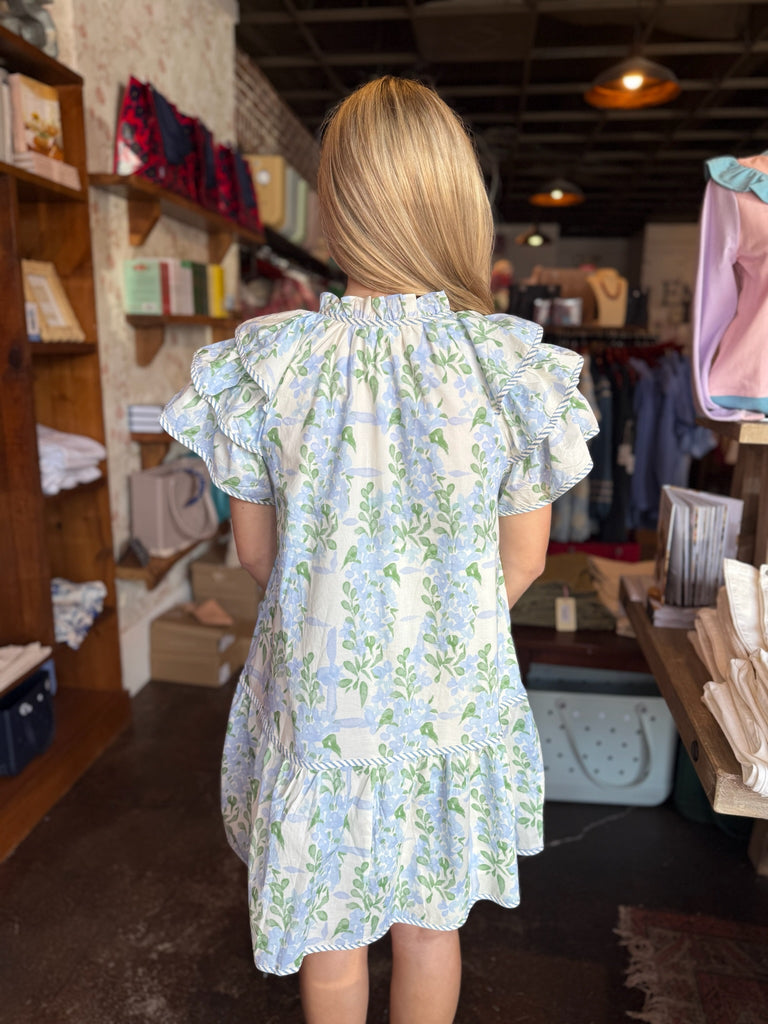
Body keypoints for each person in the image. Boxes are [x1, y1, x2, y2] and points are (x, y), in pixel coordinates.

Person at [161, 76, 598, 1024]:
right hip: (448, 701)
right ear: (454, 203)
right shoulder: (505, 364)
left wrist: (334, 606)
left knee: (332, 939)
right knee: (431, 930)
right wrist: (441, 621)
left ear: (332, 212)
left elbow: (254, 553)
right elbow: (522, 559)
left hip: (324, 704)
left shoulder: (269, 360)